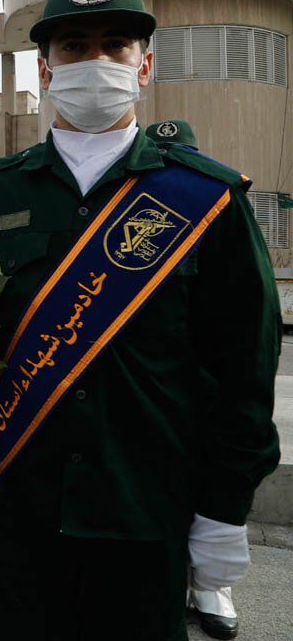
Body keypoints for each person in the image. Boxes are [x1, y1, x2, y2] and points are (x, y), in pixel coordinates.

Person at [0, 0, 280, 641]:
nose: (95, 61)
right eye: (74, 46)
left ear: (145, 63)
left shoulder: (204, 199)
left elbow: (245, 364)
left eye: (115, 44)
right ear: (46, 68)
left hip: (144, 521)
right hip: (16, 524)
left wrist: (223, 509)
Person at [146, 119, 242, 639]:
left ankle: (211, 585)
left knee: (207, 488)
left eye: (177, 155)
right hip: (156, 397)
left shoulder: (215, 210)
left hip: (203, 391)